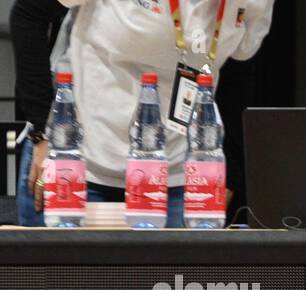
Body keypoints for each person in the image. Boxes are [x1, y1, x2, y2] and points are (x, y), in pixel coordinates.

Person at [54, 0, 275, 227]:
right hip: (87, 168)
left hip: (182, 174)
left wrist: (232, 173)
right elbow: (29, 15)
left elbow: (241, 65)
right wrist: (41, 132)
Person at [10, 0, 69, 226]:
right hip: (64, 132)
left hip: (164, 149)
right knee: (46, 258)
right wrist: (42, 132)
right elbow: (27, 13)